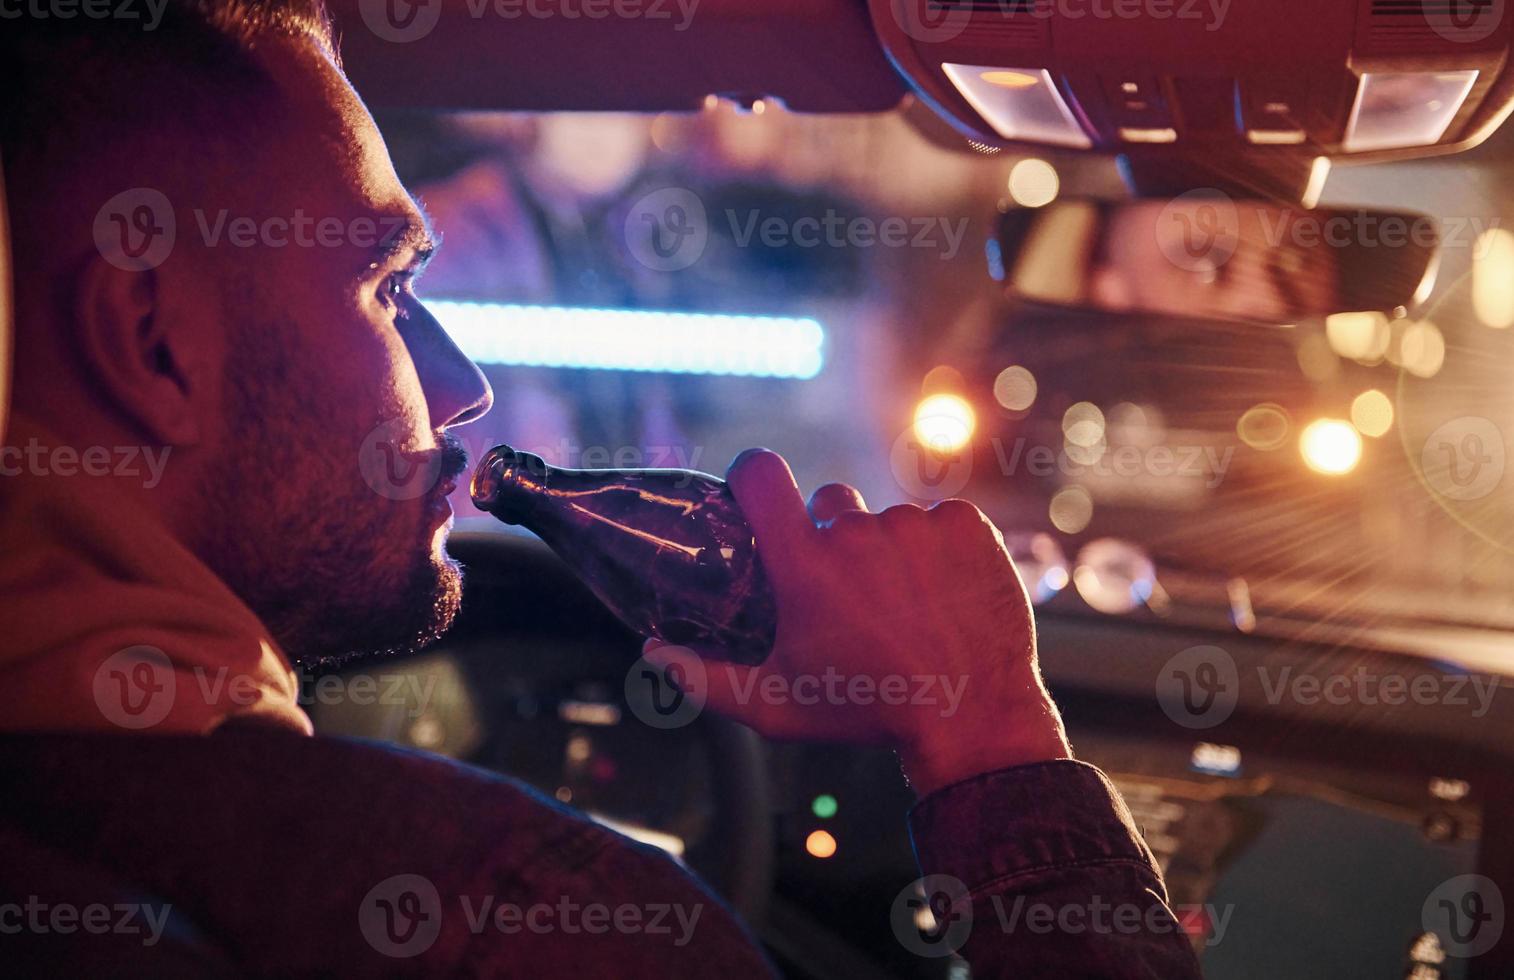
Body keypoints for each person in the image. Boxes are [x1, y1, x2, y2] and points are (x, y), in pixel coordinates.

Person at [0, 4, 1203, 976]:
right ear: (150, 339)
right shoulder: (521, 915)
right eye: (384, 289)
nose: (460, 384)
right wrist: (985, 729)